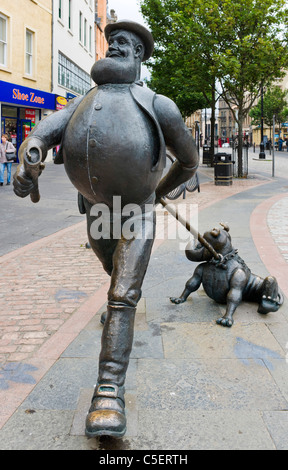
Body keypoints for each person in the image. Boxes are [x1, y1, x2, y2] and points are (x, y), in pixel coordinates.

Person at [13, 20, 199, 438]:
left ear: (139, 56)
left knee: (121, 294)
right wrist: (32, 158)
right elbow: (42, 133)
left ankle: (108, 391)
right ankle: (120, 310)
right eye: (112, 41)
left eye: (125, 44)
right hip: (97, 211)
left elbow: (189, 160)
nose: (115, 47)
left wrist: (156, 189)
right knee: (111, 269)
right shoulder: (83, 100)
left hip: (136, 210)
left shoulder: (158, 105)